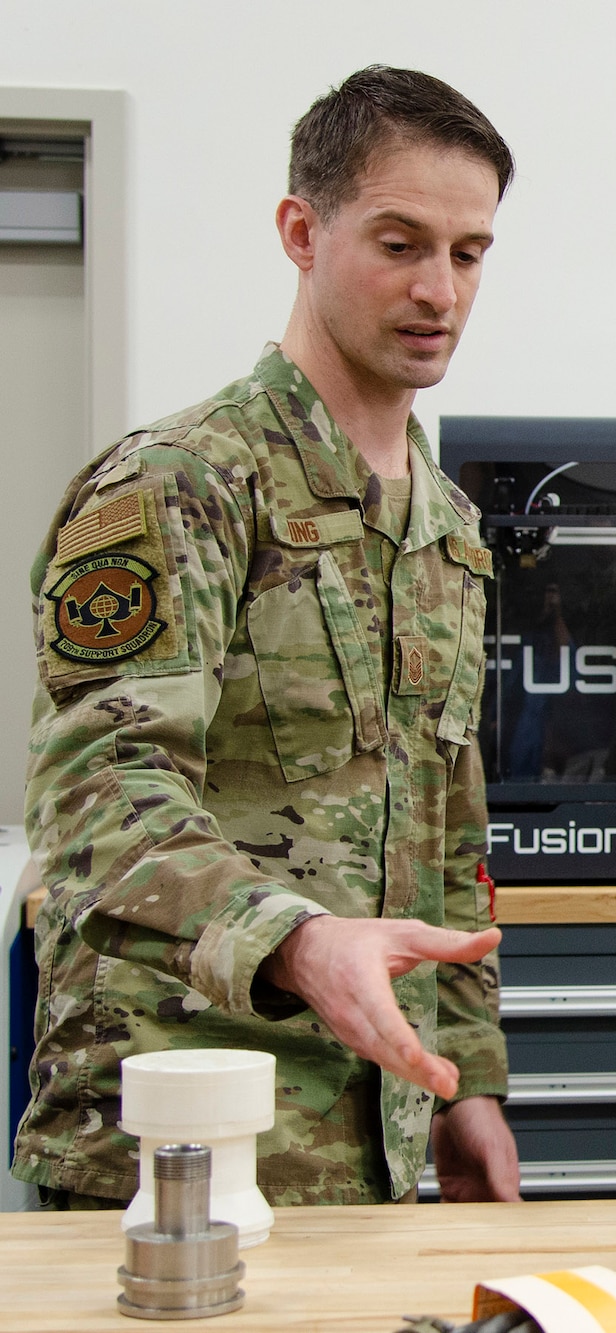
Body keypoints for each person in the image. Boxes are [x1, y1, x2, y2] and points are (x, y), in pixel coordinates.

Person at [15, 66, 522, 1207]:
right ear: (302, 230)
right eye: (399, 243)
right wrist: (297, 944)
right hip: (170, 1142)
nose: (437, 287)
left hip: (378, 1135)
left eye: (468, 252)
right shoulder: (180, 485)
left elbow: (450, 831)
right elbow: (98, 799)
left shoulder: (444, 526)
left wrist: (469, 1085)